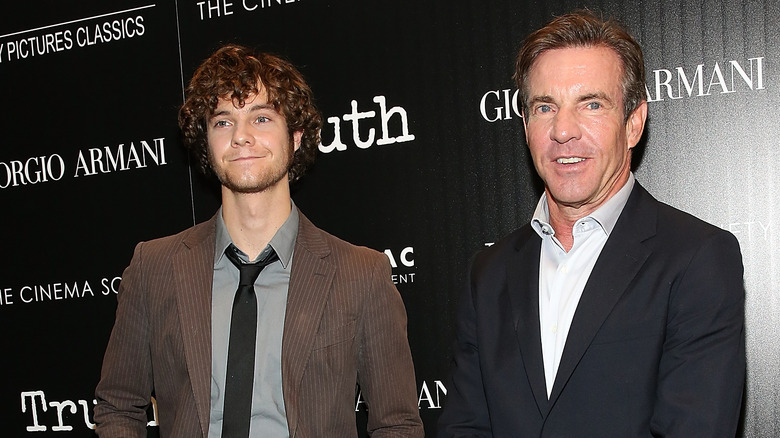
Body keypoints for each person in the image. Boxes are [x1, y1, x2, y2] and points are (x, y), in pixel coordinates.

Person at [438, 10, 745, 437]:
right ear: (526, 125)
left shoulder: (696, 258)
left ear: (633, 123)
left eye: (592, 104)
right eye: (545, 107)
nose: (563, 131)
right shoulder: (488, 274)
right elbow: (464, 426)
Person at [94, 44, 423, 438]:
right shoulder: (155, 266)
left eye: (261, 118)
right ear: (207, 141)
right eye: (223, 122)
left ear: (296, 136)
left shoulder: (361, 274)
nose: (241, 137)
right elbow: (116, 407)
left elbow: (397, 425)